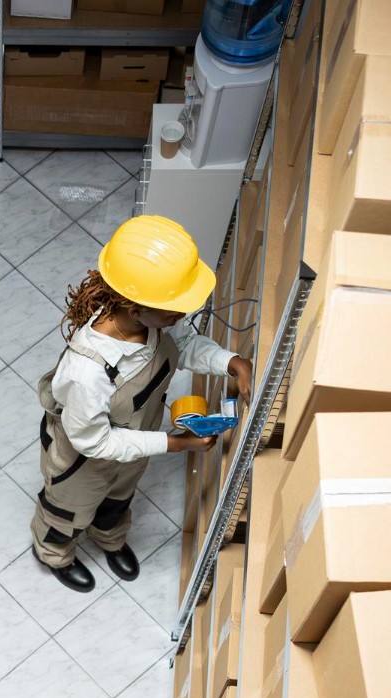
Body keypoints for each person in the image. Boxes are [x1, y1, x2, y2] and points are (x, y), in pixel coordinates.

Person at [33, 214, 253, 593]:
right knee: (67, 514)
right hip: (83, 460)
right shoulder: (87, 372)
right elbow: (96, 441)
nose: (181, 314)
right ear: (135, 309)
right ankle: (55, 555)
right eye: (174, 309)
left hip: (134, 444)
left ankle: (109, 538)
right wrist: (176, 443)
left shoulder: (150, 320)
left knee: (118, 499)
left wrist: (231, 362)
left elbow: (182, 345)